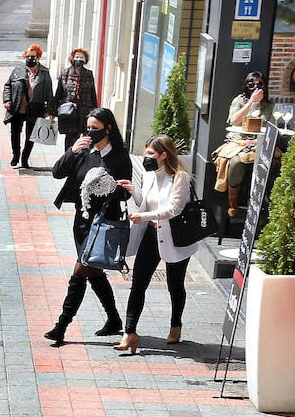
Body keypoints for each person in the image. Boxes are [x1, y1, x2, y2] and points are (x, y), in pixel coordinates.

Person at [44, 107, 130, 345]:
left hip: (103, 224)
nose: (91, 133)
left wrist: (109, 185)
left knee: (81, 270)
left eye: (96, 129)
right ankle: (114, 319)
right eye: (88, 128)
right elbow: (56, 173)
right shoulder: (84, 152)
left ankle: (61, 326)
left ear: (108, 129)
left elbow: (126, 194)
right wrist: (72, 151)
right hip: (82, 222)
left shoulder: (120, 157)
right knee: (93, 271)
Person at [113, 135, 199, 351]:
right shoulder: (150, 174)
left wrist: (144, 217)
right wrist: (133, 190)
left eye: (151, 153)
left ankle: (175, 326)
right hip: (151, 235)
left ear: (164, 155)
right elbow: (145, 202)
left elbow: (173, 210)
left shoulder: (180, 177)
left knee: (175, 285)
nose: (146, 157)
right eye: (146, 153)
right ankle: (129, 333)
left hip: (176, 238)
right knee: (138, 284)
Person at [214, 71, 275, 215]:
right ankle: (233, 202)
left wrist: (255, 141)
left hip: (258, 142)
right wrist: (251, 102)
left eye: (260, 84)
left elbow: (271, 128)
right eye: (252, 84)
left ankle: (254, 202)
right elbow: (234, 120)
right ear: (247, 85)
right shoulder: (239, 101)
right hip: (238, 141)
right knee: (236, 162)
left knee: (266, 162)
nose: (256, 87)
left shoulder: (268, 105)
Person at [3, 43, 54, 170]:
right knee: (15, 133)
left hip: (35, 109)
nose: (30, 58)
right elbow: (7, 85)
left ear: (38, 58)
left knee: (31, 136)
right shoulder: (18, 70)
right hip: (18, 107)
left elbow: (49, 93)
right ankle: (16, 155)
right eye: (28, 56)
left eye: (34, 56)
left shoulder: (44, 73)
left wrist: (49, 110)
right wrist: (7, 100)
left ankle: (25, 159)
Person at [51, 47, 98, 151]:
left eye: (82, 57)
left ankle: (81, 164)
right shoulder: (65, 73)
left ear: (85, 60)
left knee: (84, 139)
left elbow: (92, 94)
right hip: (69, 112)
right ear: (72, 58)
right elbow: (58, 94)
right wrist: (53, 112)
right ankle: (68, 162)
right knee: (70, 140)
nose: (79, 59)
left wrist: (96, 113)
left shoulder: (89, 74)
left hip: (85, 111)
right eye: (77, 57)